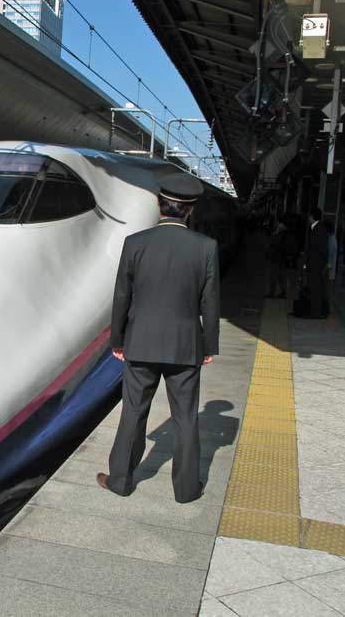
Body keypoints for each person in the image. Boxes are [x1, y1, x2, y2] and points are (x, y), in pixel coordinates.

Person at [96, 172, 220, 504]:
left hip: (141, 343)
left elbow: (122, 297)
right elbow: (210, 301)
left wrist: (118, 341)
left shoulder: (135, 243)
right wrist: (209, 346)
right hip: (185, 345)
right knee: (186, 418)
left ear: (158, 203)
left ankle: (121, 481)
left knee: (133, 412)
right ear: (190, 210)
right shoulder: (206, 248)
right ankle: (187, 489)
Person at [302, 206, 329, 319]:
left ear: (312, 217)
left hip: (316, 264)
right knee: (315, 287)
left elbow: (321, 249)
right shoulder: (317, 228)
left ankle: (316, 312)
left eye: (309, 216)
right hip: (314, 263)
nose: (308, 218)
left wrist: (322, 264)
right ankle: (316, 310)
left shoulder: (319, 229)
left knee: (315, 288)